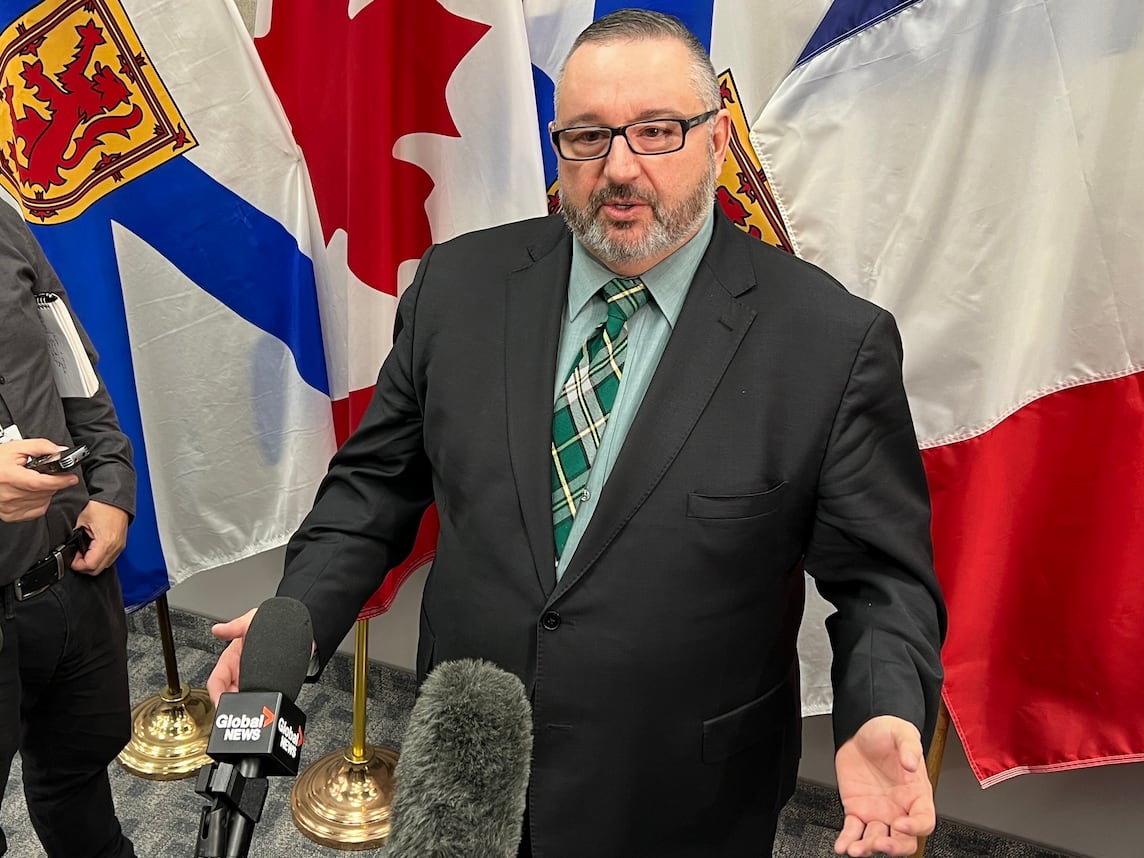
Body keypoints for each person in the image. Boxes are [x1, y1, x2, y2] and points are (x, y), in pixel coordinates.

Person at [209, 10, 945, 857]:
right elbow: (373, 486)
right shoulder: (460, 285)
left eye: (658, 132)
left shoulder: (830, 342)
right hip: (468, 767)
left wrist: (882, 704)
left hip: (679, 793)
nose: (620, 169)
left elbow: (885, 583)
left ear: (717, 142)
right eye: (588, 137)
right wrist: (298, 616)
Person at [0, 204, 137, 858]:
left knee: (77, 784)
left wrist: (113, 485)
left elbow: (72, 366)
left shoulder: (3, 215)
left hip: (70, 579)